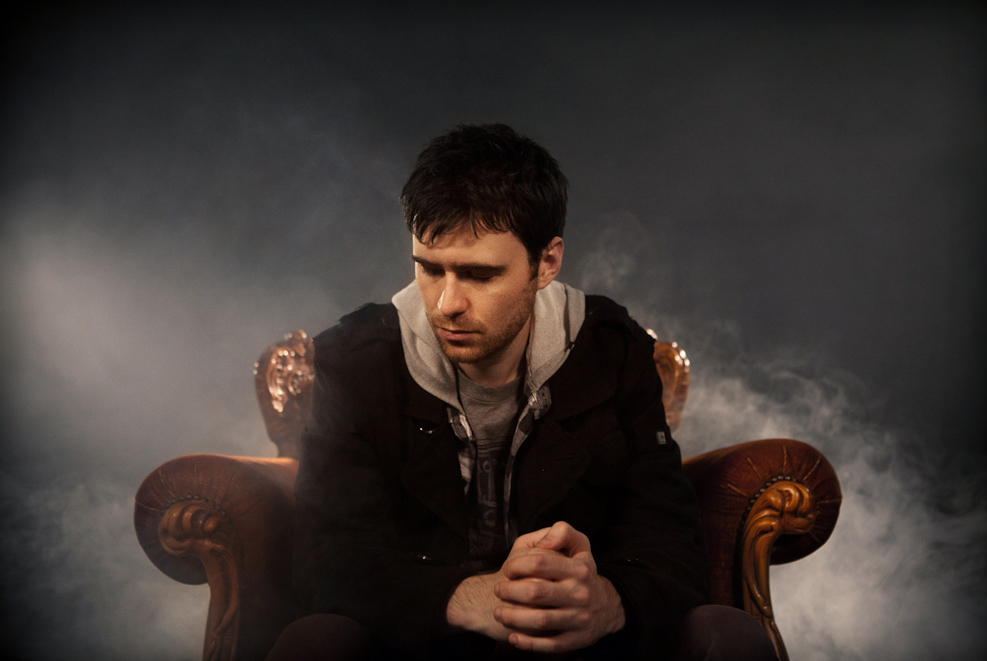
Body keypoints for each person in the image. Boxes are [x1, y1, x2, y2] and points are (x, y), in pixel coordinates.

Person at [268, 124, 777, 660]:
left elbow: (671, 542)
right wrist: (472, 598)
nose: (446, 304)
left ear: (547, 263)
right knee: (314, 642)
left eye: (478, 274)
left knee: (729, 636)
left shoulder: (612, 351)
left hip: (581, 649)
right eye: (429, 269)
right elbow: (327, 560)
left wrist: (609, 601)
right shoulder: (355, 361)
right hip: (418, 643)